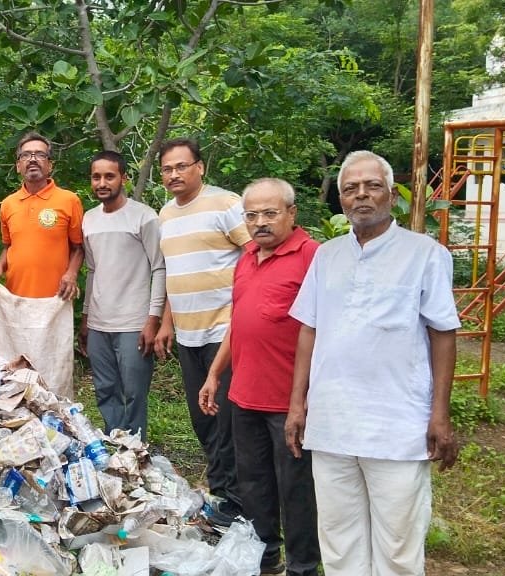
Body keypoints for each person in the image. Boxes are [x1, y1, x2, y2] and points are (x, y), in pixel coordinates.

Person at [285, 151, 460, 575]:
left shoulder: (426, 255)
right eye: (350, 188)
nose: (361, 195)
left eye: (372, 186)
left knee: (398, 547)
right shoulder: (326, 256)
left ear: (389, 194)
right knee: (340, 542)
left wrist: (440, 414)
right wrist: (297, 404)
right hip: (331, 424)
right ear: (341, 200)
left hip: (396, 426)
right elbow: (308, 330)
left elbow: (443, 334)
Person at [200, 178, 321, 575]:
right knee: (253, 483)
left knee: (296, 489)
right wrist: (215, 374)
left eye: (270, 213)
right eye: (251, 215)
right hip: (244, 395)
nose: (260, 222)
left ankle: (302, 565)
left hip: (289, 401)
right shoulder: (247, 256)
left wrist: (302, 400)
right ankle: (264, 557)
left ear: (291, 213)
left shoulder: (312, 258)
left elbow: (323, 331)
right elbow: (240, 322)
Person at [152, 137, 248, 526]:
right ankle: (223, 490)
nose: (174, 174)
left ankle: (237, 503)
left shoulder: (226, 204)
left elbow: (255, 257)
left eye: (182, 166)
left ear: (200, 167)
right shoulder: (165, 215)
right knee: (201, 418)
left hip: (225, 331)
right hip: (189, 335)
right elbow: (175, 276)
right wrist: (167, 323)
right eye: (167, 169)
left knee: (226, 419)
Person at [0, 132, 83, 398]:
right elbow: (9, 246)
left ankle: (55, 426)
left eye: (39, 154)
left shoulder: (68, 200)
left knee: (51, 377)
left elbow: (79, 246)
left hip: (54, 304)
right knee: (15, 375)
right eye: (26, 155)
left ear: (50, 164)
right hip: (16, 307)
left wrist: (72, 273)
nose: (33, 159)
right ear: (18, 165)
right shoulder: (8, 204)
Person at [78, 150, 164, 436]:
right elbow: (92, 270)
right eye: (96, 177)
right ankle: (114, 442)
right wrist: (86, 317)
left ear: (123, 178)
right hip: (99, 322)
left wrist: (153, 319)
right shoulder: (89, 220)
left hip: (134, 322)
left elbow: (159, 269)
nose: (102, 182)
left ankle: (136, 447)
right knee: (105, 389)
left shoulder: (144, 217)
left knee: (134, 391)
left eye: (109, 176)